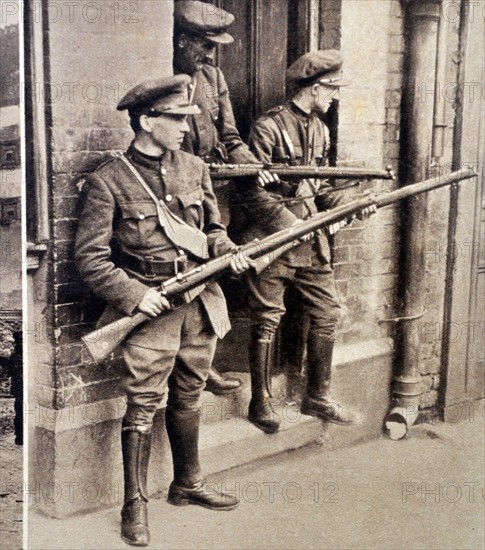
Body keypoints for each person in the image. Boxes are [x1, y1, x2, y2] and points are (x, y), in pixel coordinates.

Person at [75, 75, 250, 547]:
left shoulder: (194, 167)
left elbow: (212, 228)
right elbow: (90, 258)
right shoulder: (109, 180)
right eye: (175, 119)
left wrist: (226, 248)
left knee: (190, 393)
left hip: (199, 302)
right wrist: (135, 296)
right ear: (147, 120)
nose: (184, 129)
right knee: (142, 405)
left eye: (185, 119)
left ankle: (187, 483)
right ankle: (135, 504)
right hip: (151, 307)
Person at [235, 50, 376, 434]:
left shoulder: (321, 129)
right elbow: (249, 190)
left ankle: (317, 395)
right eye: (332, 90)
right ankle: (259, 401)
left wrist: (349, 204)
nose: (335, 98)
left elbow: (321, 189)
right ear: (315, 87)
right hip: (272, 240)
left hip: (310, 240)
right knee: (266, 320)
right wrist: (289, 222)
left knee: (328, 312)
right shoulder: (268, 128)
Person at [173, 0, 277, 395]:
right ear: (183, 40)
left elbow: (230, 138)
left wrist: (254, 167)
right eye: (205, 44)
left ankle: (204, 360)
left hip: (214, 195)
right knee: (183, 275)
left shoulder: (212, 78)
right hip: (177, 196)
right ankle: (186, 364)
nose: (212, 54)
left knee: (213, 274)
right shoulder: (165, 80)